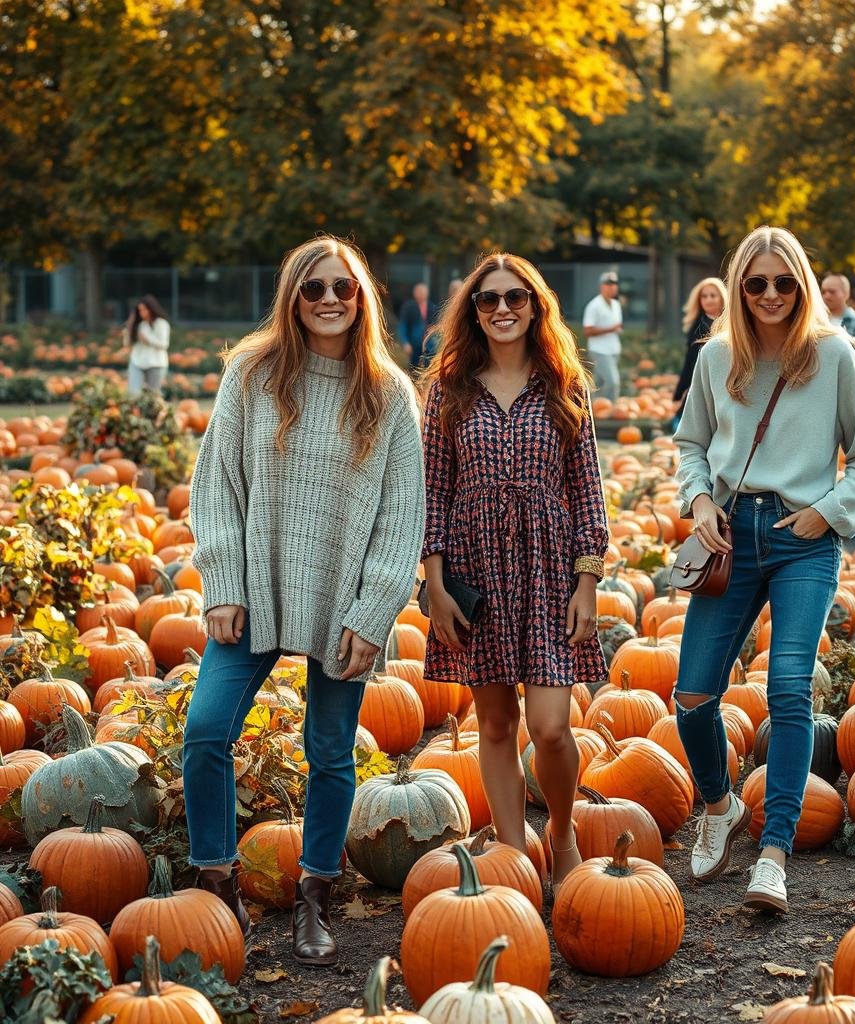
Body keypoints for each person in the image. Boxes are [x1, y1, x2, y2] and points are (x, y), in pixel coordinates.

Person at [183, 236, 425, 966]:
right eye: (313, 288)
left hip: (341, 599)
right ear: (292, 297)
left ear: (362, 300)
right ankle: (217, 887)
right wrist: (222, 581)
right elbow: (215, 484)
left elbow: (401, 515)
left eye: (342, 289)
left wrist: (373, 611)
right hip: (252, 590)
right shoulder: (252, 375)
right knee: (205, 731)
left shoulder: (387, 396)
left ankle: (314, 894)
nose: (328, 300)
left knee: (328, 751)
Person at [674, 226, 855, 913]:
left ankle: (774, 855)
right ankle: (719, 805)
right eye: (757, 283)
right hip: (732, 539)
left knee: (791, 690)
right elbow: (690, 445)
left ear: (801, 285)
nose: (770, 295)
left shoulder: (833, 357)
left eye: (784, 283)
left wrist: (828, 513)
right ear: (739, 287)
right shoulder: (717, 357)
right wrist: (700, 499)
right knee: (691, 696)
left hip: (804, 538)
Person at [421, 253, 608, 894]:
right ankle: (510, 858)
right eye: (488, 300)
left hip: (552, 571)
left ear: (535, 307)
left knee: (552, 727)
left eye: (515, 298)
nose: (502, 309)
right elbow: (434, 491)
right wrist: (437, 583)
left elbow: (587, 493)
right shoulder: (449, 391)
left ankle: (560, 832)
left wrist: (588, 580)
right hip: (476, 571)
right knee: (495, 725)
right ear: (473, 312)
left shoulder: (564, 386)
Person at [673, 277, 727, 421]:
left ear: (721, 298)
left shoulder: (731, 323)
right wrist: (680, 391)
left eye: (713, 295)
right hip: (703, 379)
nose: (708, 299)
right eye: (704, 296)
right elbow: (690, 360)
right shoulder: (697, 328)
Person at [820, 274, 855, 389]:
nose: (826, 296)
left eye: (832, 292)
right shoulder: (816, 322)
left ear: (846, 294)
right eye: (823, 291)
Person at [582, 271, 623, 402]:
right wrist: (611, 329)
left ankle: (592, 410)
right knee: (613, 382)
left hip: (614, 350)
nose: (612, 287)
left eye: (614, 284)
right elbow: (588, 331)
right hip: (599, 351)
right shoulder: (594, 305)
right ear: (602, 286)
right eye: (608, 284)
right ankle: (609, 410)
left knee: (597, 384)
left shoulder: (616, 305)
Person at [124, 295, 171, 396]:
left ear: (151, 309)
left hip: (156, 364)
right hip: (137, 362)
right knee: (134, 394)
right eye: (140, 310)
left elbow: (164, 344)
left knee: (152, 396)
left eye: (144, 309)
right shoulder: (140, 325)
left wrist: (148, 340)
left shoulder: (162, 324)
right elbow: (127, 344)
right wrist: (129, 328)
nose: (142, 313)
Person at [398, 282, 439, 367]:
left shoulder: (433, 307)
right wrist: (405, 343)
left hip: (429, 346)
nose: (421, 294)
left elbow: (437, 327)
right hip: (413, 346)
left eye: (423, 291)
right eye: (419, 291)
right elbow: (403, 326)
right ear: (414, 293)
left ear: (427, 293)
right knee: (413, 370)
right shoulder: (408, 307)